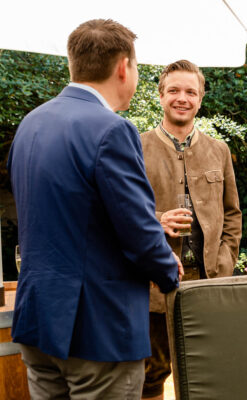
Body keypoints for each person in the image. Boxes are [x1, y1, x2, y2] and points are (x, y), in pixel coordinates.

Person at [7, 19, 182, 399]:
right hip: (99, 328)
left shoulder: (31, 124)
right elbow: (137, 230)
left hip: (37, 319)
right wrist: (168, 271)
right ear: (123, 67)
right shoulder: (112, 129)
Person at [140, 60, 242, 399]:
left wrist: (226, 260)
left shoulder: (219, 150)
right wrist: (158, 218)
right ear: (160, 96)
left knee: (210, 369)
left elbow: (232, 213)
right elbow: (121, 212)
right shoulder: (136, 147)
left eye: (190, 92)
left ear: (200, 99)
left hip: (209, 281)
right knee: (152, 373)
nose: (182, 98)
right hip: (155, 284)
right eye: (174, 91)